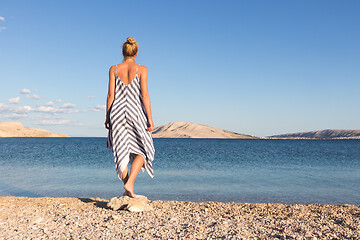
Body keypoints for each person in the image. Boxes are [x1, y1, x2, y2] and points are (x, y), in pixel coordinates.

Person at [105, 37, 155, 198]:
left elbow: (111, 95)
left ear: (122, 52)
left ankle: (128, 187)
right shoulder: (142, 69)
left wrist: (107, 116)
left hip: (117, 112)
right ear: (136, 53)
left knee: (121, 151)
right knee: (143, 149)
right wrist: (150, 118)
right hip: (135, 112)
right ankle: (130, 182)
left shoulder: (114, 69)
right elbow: (145, 95)